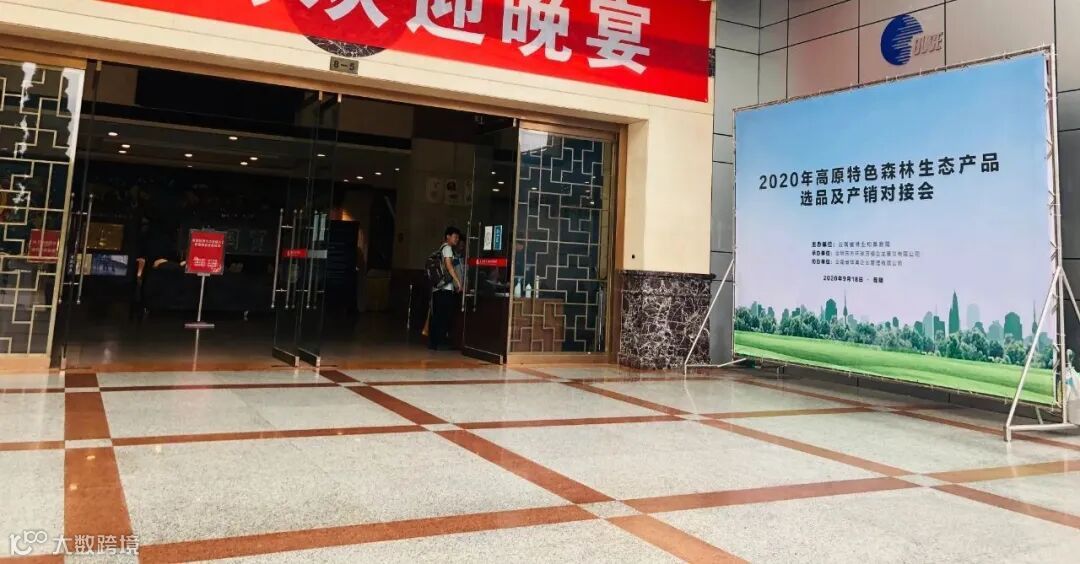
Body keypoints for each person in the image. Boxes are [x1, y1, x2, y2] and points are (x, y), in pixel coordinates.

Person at [429, 226, 463, 351]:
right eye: (455, 237)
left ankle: (434, 342)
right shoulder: (447, 248)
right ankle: (438, 340)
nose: (457, 239)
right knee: (444, 315)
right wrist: (457, 281)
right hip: (445, 288)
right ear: (448, 236)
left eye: (458, 237)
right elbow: (449, 266)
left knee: (437, 315)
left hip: (438, 287)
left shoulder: (441, 248)